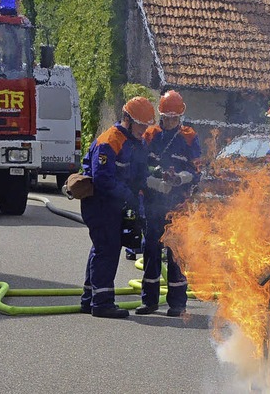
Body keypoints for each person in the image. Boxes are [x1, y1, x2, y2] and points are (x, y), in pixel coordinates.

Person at [80, 96, 155, 319]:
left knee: (103, 249)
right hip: (100, 204)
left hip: (117, 205)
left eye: (146, 125)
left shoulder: (137, 142)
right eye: (141, 125)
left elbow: (140, 177)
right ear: (127, 119)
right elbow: (102, 179)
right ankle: (102, 303)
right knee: (107, 249)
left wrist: (141, 202)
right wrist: (128, 196)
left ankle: (89, 299)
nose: (144, 130)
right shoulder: (110, 140)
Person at [136, 90, 201, 317]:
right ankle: (149, 301)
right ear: (160, 115)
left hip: (178, 205)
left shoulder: (189, 137)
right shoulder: (151, 135)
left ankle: (177, 304)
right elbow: (141, 166)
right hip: (154, 203)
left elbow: (196, 171)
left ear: (181, 116)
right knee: (151, 250)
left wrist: (179, 178)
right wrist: (157, 179)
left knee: (176, 254)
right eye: (166, 117)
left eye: (174, 117)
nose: (170, 121)